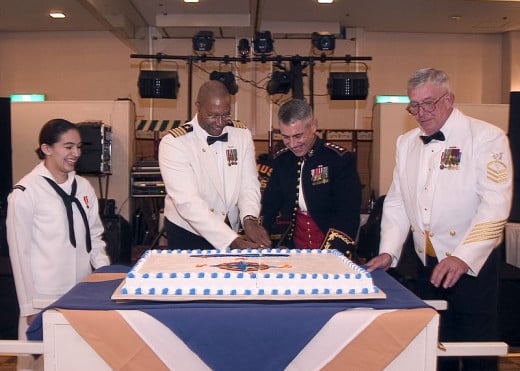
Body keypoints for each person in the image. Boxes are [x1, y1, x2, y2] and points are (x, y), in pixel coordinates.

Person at [366, 68, 513, 371]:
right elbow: (397, 202)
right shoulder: (406, 142)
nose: (421, 112)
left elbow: (495, 206)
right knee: (435, 346)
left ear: (450, 99)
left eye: (429, 103)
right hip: (427, 265)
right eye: (415, 105)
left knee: (476, 350)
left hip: (473, 265)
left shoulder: (486, 137)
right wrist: (389, 251)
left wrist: (462, 258)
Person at [6, 118, 110, 370]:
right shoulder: (26, 192)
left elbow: (95, 237)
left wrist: (105, 277)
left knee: (76, 359)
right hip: (43, 295)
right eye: (68, 146)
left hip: (80, 293)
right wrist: (28, 305)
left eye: (79, 147)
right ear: (46, 148)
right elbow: (20, 254)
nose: (76, 153)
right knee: (38, 363)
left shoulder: (83, 187)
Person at [158, 80, 271, 250]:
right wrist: (232, 241)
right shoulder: (174, 143)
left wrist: (249, 218)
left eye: (225, 115)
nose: (219, 122)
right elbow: (188, 203)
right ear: (198, 107)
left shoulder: (241, 135)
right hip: (188, 231)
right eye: (212, 115)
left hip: (229, 227)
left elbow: (248, 184)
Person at [261, 99, 362, 251]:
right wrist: (260, 237)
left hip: (332, 249)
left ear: (314, 126)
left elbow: (347, 215)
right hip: (294, 250)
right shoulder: (282, 161)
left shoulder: (338, 160)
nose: (292, 144)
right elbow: (269, 206)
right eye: (286, 137)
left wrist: (330, 255)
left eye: (298, 136)